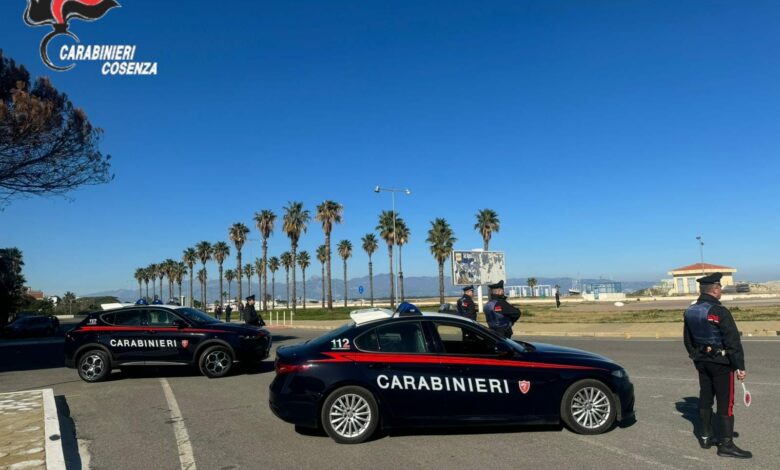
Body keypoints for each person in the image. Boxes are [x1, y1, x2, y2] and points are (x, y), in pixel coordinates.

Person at [683, 272, 751, 459]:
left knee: (705, 398)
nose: (720, 290)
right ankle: (726, 445)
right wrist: (740, 367)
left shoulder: (690, 310)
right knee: (725, 402)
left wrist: (696, 357)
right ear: (715, 289)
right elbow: (733, 342)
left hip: (702, 363)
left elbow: (687, 340)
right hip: (721, 363)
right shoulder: (719, 311)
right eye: (719, 287)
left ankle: (705, 437)